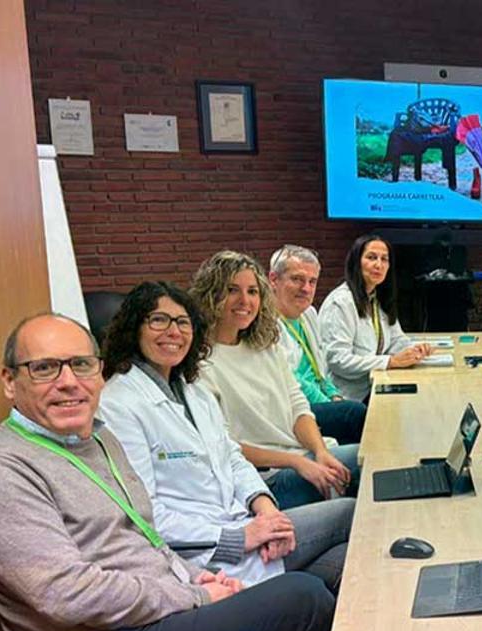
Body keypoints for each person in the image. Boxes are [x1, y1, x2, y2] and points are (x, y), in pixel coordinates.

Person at [0, 313, 333, 631]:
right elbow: (66, 594)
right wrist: (194, 597)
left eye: (81, 365)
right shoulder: (0, 472)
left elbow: (144, 537)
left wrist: (194, 577)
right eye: (44, 368)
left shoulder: (96, 440)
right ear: (9, 381)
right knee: (303, 598)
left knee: (321, 595)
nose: (68, 381)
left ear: (99, 372)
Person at [98, 281, 353, 593]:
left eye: (182, 322)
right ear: (133, 328)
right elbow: (143, 514)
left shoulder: (194, 392)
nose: (173, 331)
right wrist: (241, 536)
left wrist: (267, 511)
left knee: (345, 564)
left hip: (248, 527)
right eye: (158, 320)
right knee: (349, 515)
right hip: (206, 555)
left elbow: (232, 457)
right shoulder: (118, 404)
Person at [190, 250, 358, 510]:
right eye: (232, 290)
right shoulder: (198, 364)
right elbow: (223, 446)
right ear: (211, 294)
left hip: (304, 455)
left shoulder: (266, 344)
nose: (244, 300)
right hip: (264, 479)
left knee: (379, 461)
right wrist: (297, 462)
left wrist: (321, 451)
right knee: (364, 480)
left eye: (253, 292)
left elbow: (298, 406)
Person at [267, 244, 366, 445]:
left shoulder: (309, 314)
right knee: (355, 414)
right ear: (273, 279)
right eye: (297, 279)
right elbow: (292, 381)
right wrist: (329, 403)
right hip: (293, 408)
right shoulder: (265, 323)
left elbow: (319, 369)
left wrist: (334, 395)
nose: (306, 289)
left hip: (319, 398)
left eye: (312, 282)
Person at [317, 234, 432, 402]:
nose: (378, 264)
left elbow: (396, 339)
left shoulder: (377, 299)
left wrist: (414, 350)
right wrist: (389, 362)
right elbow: (338, 361)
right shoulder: (341, 303)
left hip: (375, 387)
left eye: (384, 259)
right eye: (371, 257)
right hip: (347, 398)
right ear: (356, 262)